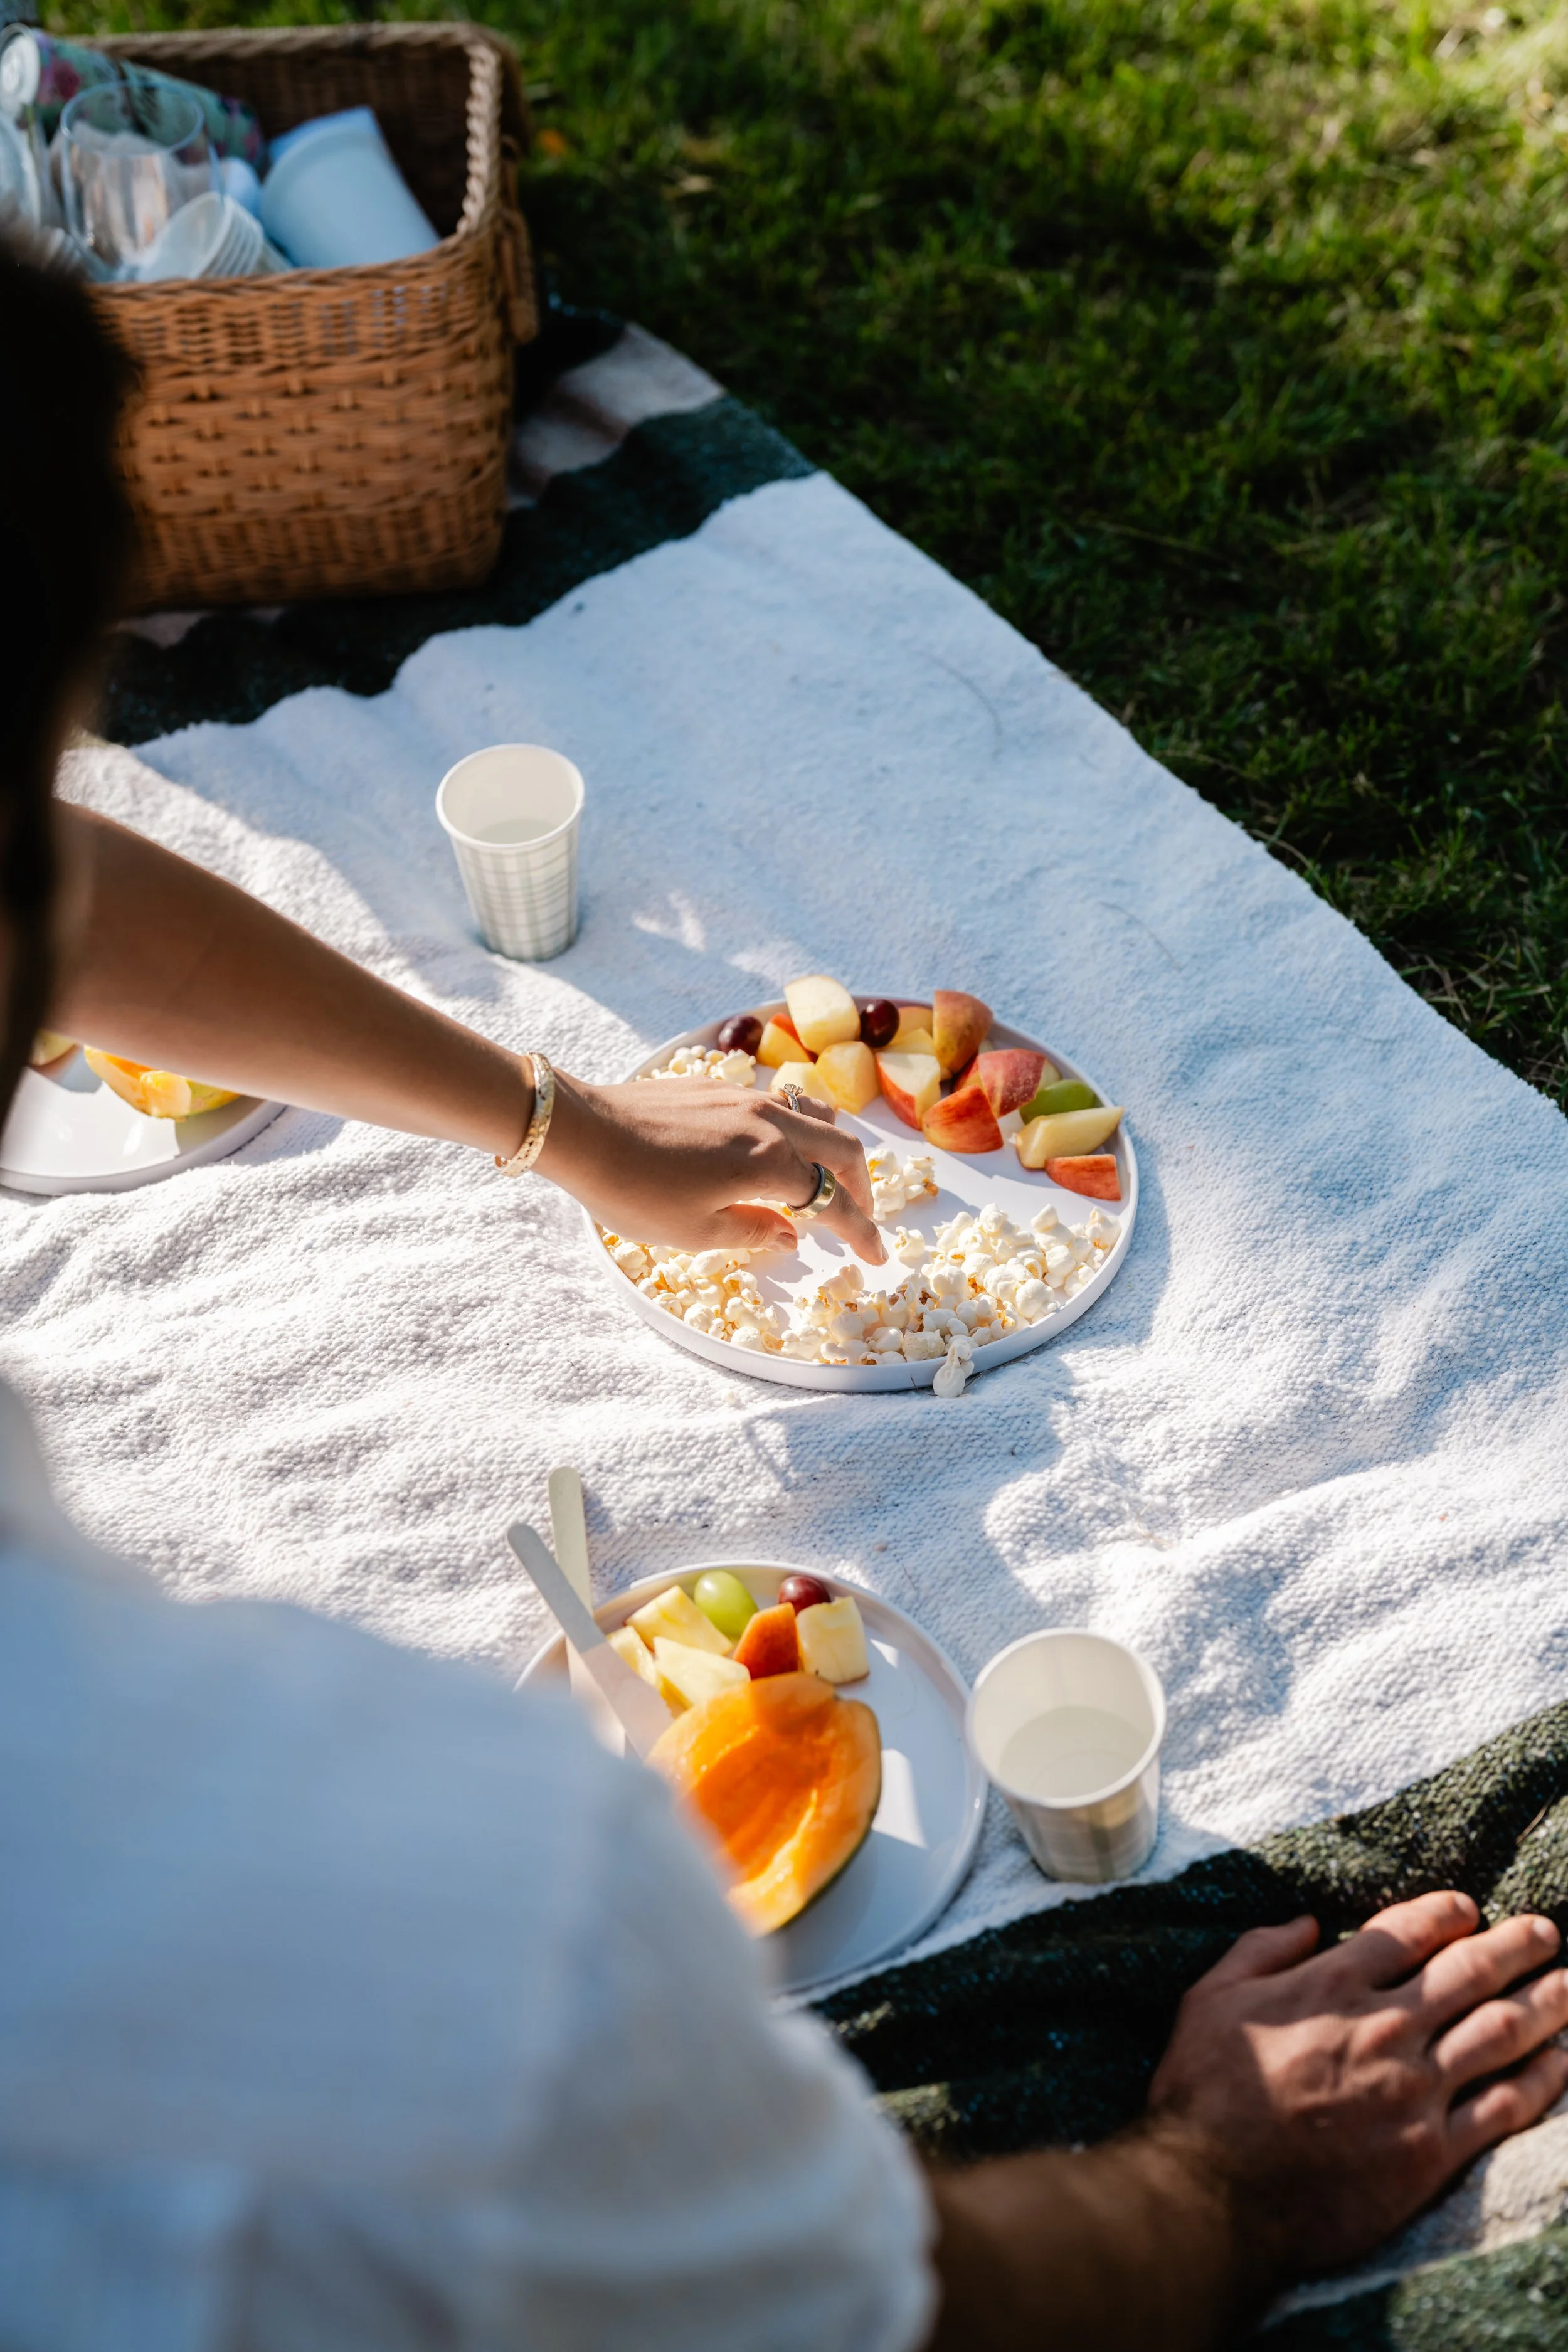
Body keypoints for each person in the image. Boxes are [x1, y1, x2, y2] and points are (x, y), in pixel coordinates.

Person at [3, 245, 1565, 2352]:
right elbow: (851, 2307)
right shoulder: (383, 1886)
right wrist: (1218, 2181)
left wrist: (563, 1118)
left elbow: (52, 890)